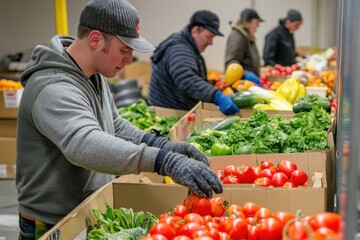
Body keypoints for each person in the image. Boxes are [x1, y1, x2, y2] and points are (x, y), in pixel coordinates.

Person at [16, 0, 223, 239]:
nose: (130, 59)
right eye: (125, 50)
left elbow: (114, 125)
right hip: (52, 223)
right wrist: (164, 162)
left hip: (86, 208)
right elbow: (84, 144)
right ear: (95, 39)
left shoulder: (93, 74)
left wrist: (162, 145)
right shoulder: (53, 87)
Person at [148, 10, 239, 115]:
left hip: (176, 112)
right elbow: (187, 80)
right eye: (208, 37)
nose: (211, 43)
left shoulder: (188, 47)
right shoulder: (179, 49)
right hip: (167, 115)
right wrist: (216, 96)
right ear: (195, 30)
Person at [224, 8, 264, 85]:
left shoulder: (247, 36)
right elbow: (231, 62)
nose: (258, 25)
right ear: (248, 22)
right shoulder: (237, 36)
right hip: (241, 85)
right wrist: (245, 74)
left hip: (249, 85)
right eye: (257, 22)